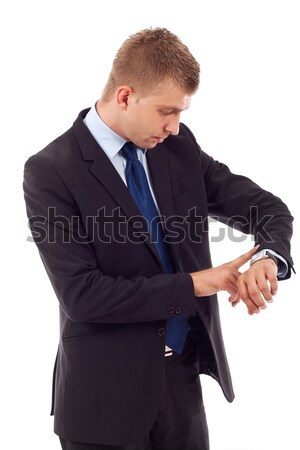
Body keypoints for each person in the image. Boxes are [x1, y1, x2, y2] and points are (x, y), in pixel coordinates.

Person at [23, 28, 294, 450]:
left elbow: (267, 208)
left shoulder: (177, 147)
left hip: (181, 385)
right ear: (126, 96)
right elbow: (82, 296)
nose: (174, 126)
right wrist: (198, 283)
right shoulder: (50, 171)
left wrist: (267, 258)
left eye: (181, 112)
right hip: (103, 398)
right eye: (166, 111)